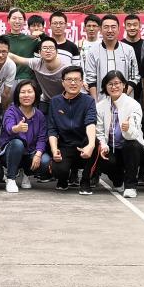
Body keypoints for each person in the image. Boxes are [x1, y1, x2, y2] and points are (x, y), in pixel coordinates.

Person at [95, 70, 144, 199]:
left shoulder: (133, 104)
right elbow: (99, 131)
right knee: (100, 154)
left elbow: (134, 134)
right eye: (110, 84)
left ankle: (130, 186)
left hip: (131, 147)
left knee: (131, 145)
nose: (114, 87)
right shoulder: (100, 106)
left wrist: (128, 128)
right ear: (105, 87)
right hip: (112, 147)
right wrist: (103, 145)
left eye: (117, 83)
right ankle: (118, 180)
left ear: (124, 85)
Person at [47, 65, 97, 194]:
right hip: (65, 145)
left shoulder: (89, 101)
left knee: (96, 142)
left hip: (83, 144)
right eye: (69, 79)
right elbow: (52, 129)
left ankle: (85, 181)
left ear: (82, 82)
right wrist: (54, 150)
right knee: (59, 170)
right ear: (63, 82)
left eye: (76, 80)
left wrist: (91, 145)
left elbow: (90, 123)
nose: (73, 83)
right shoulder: (55, 101)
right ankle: (63, 179)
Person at [0, 80, 49, 192]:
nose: (26, 95)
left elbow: (42, 138)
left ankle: (27, 174)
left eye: (29, 92)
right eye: (23, 92)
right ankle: (11, 178)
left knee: (45, 160)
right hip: (10, 153)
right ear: (17, 95)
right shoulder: (11, 110)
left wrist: (38, 154)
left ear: (35, 94)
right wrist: (17, 128)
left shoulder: (39, 115)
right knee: (17, 143)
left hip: (29, 153)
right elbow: (8, 127)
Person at [84, 14, 140, 98]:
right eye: (106, 27)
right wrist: (95, 101)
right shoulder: (93, 51)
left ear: (119, 29)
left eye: (113, 27)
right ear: (100, 30)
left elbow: (134, 76)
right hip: (101, 100)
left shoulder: (128, 50)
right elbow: (91, 79)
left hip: (125, 100)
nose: (110, 30)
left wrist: (123, 96)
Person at [9, 37, 69, 109]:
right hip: (45, 101)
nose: (48, 51)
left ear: (57, 52)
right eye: (45, 48)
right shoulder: (37, 63)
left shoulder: (66, 67)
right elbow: (15, 58)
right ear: (40, 53)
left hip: (64, 101)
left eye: (51, 48)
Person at [5, 9, 39, 81]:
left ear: (24, 21)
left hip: (25, 80)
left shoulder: (31, 40)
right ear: (8, 20)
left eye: (20, 19)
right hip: (6, 79)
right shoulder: (2, 39)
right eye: (14, 18)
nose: (17, 21)